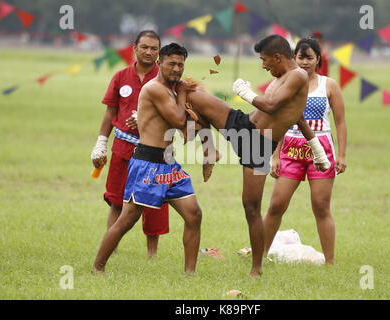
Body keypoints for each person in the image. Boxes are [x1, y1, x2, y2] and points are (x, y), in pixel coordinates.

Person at [184, 34, 330, 277]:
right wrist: (317, 148)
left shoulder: (298, 75)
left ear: (277, 57)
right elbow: (297, 116)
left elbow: (273, 108)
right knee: (193, 97)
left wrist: (245, 92)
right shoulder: (284, 78)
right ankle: (210, 151)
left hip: (258, 145)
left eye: (265, 61)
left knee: (251, 207)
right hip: (244, 126)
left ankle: (257, 268)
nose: (264, 66)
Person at [93, 43, 203, 274]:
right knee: (126, 220)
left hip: (169, 164)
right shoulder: (156, 89)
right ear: (159, 63)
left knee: (194, 214)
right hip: (147, 164)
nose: (176, 69)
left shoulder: (173, 89)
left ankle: (190, 274)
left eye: (180, 65)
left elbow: (187, 130)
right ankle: (98, 267)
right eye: (171, 63)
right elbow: (177, 119)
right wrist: (184, 93)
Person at [263, 37, 347, 265]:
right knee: (276, 204)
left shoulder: (329, 85)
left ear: (318, 59)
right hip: (291, 148)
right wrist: (275, 156)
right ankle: (259, 256)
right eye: (300, 57)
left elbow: (340, 122)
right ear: (294, 58)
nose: (305, 62)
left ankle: (329, 262)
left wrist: (341, 155)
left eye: (309, 57)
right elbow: (278, 119)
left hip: (320, 151)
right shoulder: (285, 83)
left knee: (321, 206)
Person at [90, 31, 169, 257]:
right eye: (144, 47)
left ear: (159, 52)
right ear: (134, 48)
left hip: (155, 151)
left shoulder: (166, 78)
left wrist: (148, 118)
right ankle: (111, 248)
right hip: (123, 148)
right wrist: (101, 142)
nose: (149, 52)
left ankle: (152, 255)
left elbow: (175, 113)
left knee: (154, 202)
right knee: (117, 200)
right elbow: (110, 112)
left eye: (154, 48)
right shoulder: (121, 76)